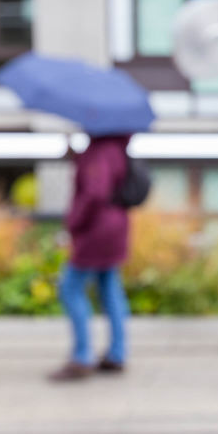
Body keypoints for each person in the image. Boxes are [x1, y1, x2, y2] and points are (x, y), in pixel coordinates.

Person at [48, 135, 132, 382]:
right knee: (109, 287)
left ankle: (82, 356)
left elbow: (95, 192)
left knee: (70, 288)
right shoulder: (116, 148)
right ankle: (117, 352)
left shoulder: (100, 151)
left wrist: (73, 222)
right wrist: (77, 156)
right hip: (116, 226)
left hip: (96, 230)